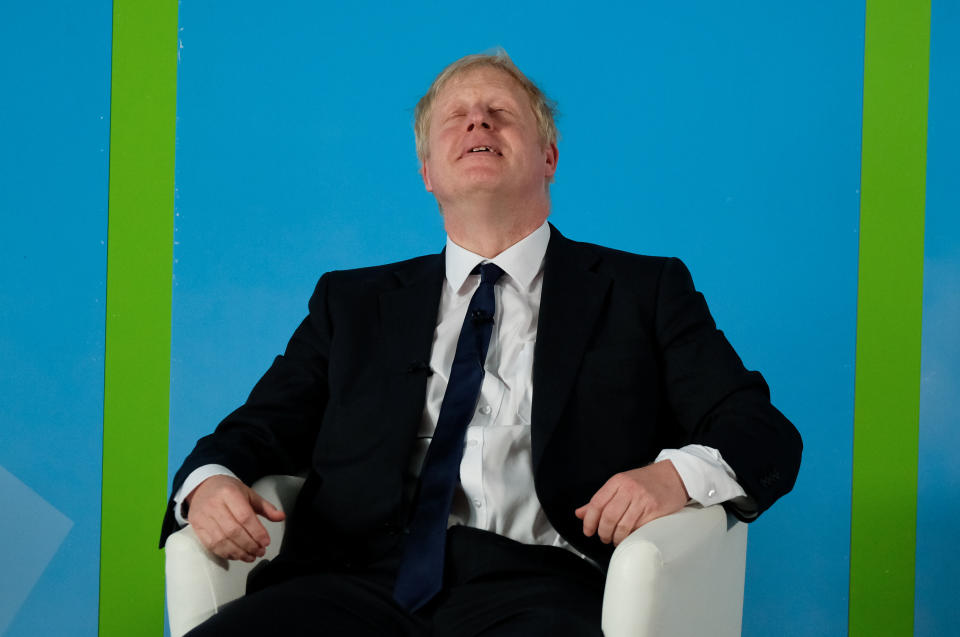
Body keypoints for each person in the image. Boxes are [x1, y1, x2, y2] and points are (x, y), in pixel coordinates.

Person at [160, 50, 802, 636]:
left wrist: (673, 478)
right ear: (427, 172)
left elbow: (762, 431)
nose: (478, 125)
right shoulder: (350, 304)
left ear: (549, 158)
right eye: (457, 118)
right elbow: (252, 432)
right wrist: (209, 483)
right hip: (352, 585)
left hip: (548, 587)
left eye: (500, 114)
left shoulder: (644, 290)